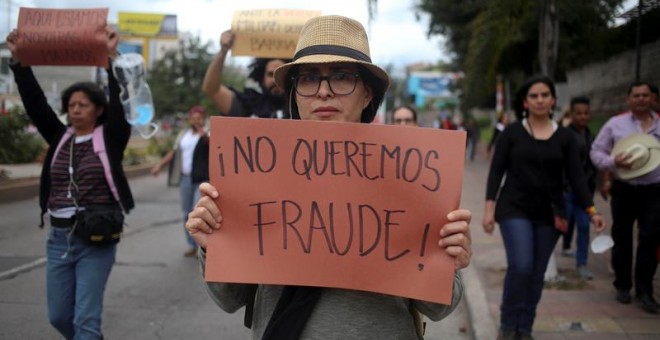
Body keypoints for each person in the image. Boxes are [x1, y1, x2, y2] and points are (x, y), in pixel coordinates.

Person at [186, 15, 472, 339]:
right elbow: (230, 299)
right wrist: (214, 246)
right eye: (308, 78)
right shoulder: (257, 172)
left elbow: (440, 307)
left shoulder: (411, 174)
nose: (323, 91)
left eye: (341, 76)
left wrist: (449, 260)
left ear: (367, 94)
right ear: (294, 94)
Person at [7, 27, 134, 339]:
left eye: (83, 105)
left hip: (96, 239)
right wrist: (19, 62)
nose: (75, 110)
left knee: (86, 322)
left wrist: (110, 58)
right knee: (59, 316)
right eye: (71, 105)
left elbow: (121, 104)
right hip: (59, 240)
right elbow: (35, 104)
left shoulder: (111, 137)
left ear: (98, 109)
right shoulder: (60, 137)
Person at [482, 75, 606, 339]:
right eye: (534, 96)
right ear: (525, 102)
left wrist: (592, 211)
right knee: (522, 266)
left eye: (544, 95)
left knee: (537, 273)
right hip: (514, 208)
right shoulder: (512, 133)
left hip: (550, 214)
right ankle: (507, 324)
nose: (539, 100)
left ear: (553, 100)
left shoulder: (566, 138)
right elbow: (496, 172)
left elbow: (577, 178)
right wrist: (488, 209)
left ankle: (525, 327)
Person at [590, 81, 660, 314]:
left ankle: (645, 290)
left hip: (654, 189)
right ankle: (622, 284)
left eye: (645, 95)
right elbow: (596, 152)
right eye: (636, 95)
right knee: (622, 236)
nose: (641, 99)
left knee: (650, 237)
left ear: (653, 99)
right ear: (628, 100)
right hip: (624, 188)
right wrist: (612, 162)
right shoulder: (615, 125)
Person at [151, 105, 209, 257]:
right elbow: (173, 152)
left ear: (203, 119)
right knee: (186, 213)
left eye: (199, 118)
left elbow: (215, 147)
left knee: (198, 212)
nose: (196, 121)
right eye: (193, 118)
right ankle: (191, 244)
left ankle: (201, 246)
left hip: (202, 180)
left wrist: (204, 134)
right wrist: (159, 165)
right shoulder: (184, 135)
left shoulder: (208, 134)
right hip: (185, 179)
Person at [202, 30, 291, 118]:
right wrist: (223, 51)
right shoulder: (249, 104)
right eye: (270, 74)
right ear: (262, 79)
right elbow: (212, 90)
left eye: (281, 74)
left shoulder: (302, 108)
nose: (275, 80)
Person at [559, 96, 598, 280]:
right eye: (579, 113)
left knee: (583, 225)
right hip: (566, 191)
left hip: (584, 193)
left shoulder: (591, 136)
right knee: (560, 226)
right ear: (571, 114)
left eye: (586, 113)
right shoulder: (564, 135)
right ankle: (545, 264)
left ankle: (581, 263)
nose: (582, 117)